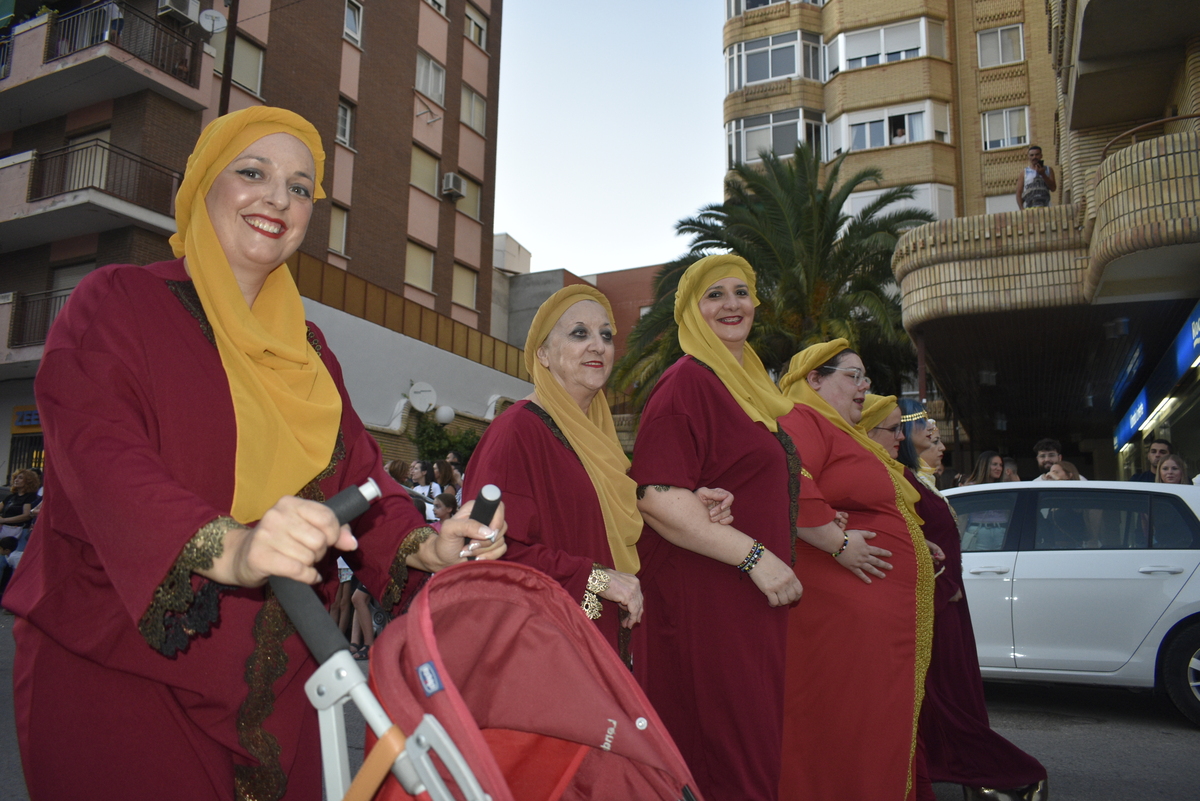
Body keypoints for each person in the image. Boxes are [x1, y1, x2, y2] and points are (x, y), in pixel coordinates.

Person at [3, 107, 506, 801]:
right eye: (253, 172)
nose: (279, 197)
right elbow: (103, 458)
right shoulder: (117, 302)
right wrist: (234, 549)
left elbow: (362, 483)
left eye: (302, 187)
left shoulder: (311, 353)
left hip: (276, 690)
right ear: (205, 185)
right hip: (119, 671)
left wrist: (432, 545)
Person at [465, 284, 734, 662]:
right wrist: (595, 578)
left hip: (599, 642)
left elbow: (608, 534)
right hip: (544, 650)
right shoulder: (515, 432)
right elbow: (479, 550)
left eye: (606, 335)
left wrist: (688, 506)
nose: (598, 345)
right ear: (542, 353)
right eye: (580, 333)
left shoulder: (598, 441)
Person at [631, 255, 801, 801]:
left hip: (746, 602)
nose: (732, 305)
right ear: (690, 310)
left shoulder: (747, 385)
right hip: (709, 601)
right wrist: (758, 557)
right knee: (727, 758)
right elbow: (656, 495)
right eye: (714, 295)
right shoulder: (686, 384)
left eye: (742, 292)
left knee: (750, 750)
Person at [777, 341, 934, 801]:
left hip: (869, 627)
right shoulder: (803, 419)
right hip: (846, 624)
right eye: (853, 375)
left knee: (870, 729)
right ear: (814, 379)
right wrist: (837, 541)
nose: (865, 386)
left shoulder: (842, 432)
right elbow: (789, 477)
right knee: (852, 733)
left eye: (865, 377)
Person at [890, 399, 1049, 801]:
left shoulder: (924, 483)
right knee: (941, 698)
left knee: (953, 695)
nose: (937, 442)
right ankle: (993, 772)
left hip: (948, 605)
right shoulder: (905, 481)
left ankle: (973, 776)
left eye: (937, 435)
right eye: (927, 434)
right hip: (935, 606)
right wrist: (944, 588)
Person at [1015, 145, 1056, 210]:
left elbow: (1053, 188)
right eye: (1032, 155)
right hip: (1029, 209)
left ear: (1041, 155)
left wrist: (1043, 174)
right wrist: (1022, 209)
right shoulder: (1024, 172)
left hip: (1045, 207)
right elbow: (1019, 193)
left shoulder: (1048, 170)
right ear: (1028, 157)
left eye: (1037, 154)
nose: (1034, 157)